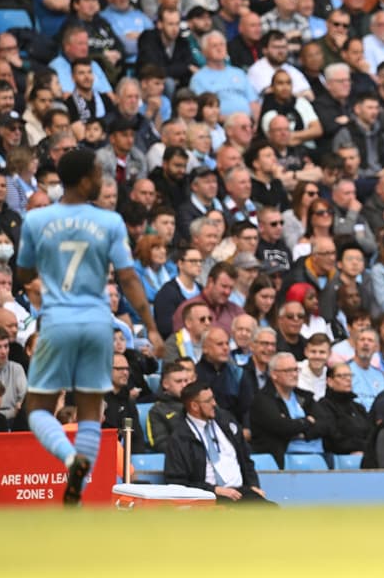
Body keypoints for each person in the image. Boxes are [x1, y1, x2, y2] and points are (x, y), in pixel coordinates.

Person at [15, 149, 162, 504]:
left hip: (58, 321)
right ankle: (77, 489)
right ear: (83, 180)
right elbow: (127, 278)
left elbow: (23, 273)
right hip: (98, 323)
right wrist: (151, 326)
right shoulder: (109, 222)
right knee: (91, 412)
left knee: (37, 409)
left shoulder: (37, 221)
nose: (102, 180)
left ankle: (70, 460)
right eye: (97, 174)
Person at [163, 381, 270, 503]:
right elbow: (177, 483)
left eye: (213, 398)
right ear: (194, 406)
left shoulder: (226, 420)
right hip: (207, 496)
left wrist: (253, 485)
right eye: (208, 401)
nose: (214, 403)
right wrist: (213, 489)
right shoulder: (179, 438)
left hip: (241, 491)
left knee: (272, 512)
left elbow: (246, 459)